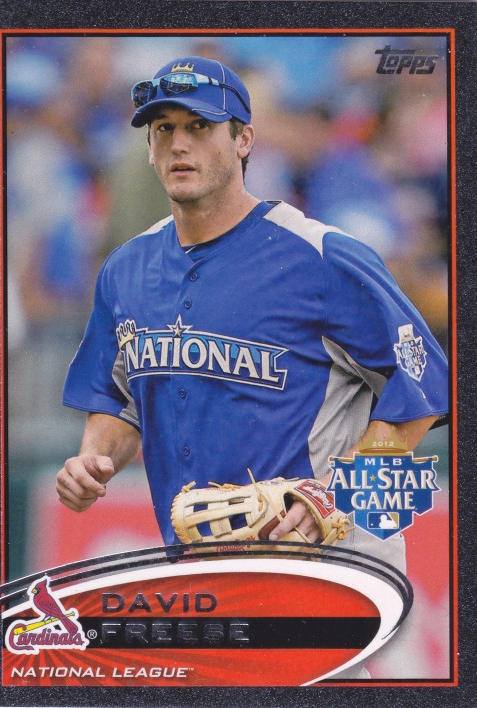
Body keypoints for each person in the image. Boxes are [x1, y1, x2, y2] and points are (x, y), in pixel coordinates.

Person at [58, 56, 448, 570]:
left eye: (200, 126)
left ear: (244, 140)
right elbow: (119, 400)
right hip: (204, 570)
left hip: (329, 566)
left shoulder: (321, 256)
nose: (179, 144)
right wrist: (92, 460)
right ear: (150, 148)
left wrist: (339, 495)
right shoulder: (125, 269)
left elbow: (425, 385)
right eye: (163, 129)